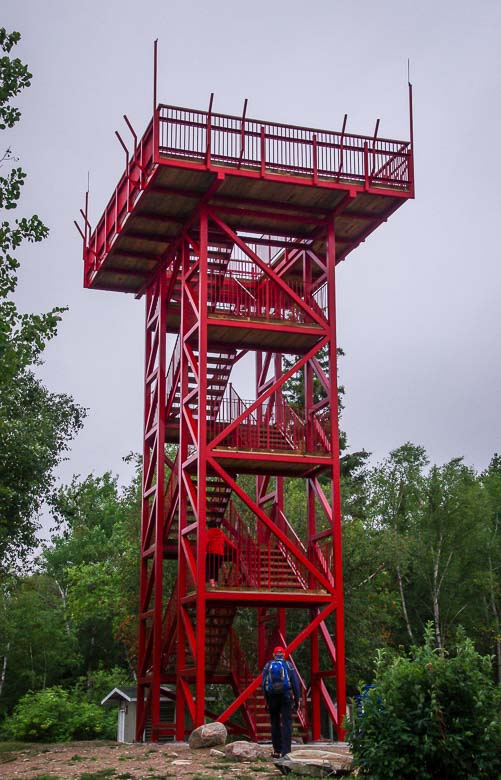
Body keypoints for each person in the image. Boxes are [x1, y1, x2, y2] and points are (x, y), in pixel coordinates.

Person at [262, 645, 300, 758]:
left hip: (272, 697)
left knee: (275, 723)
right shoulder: (288, 665)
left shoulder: (268, 665)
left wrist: (266, 700)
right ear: (283, 655)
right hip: (285, 696)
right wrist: (296, 700)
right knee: (287, 723)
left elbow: (263, 684)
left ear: (273, 655)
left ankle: (277, 750)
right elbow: (296, 684)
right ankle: (286, 751)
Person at [205, 519, 237, 587]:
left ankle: (211, 583)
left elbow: (206, 543)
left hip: (211, 553)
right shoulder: (221, 533)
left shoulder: (208, 533)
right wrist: (235, 548)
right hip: (220, 554)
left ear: (209, 526)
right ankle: (215, 583)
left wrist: (204, 550)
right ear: (216, 526)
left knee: (209, 568)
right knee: (216, 569)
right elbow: (228, 542)